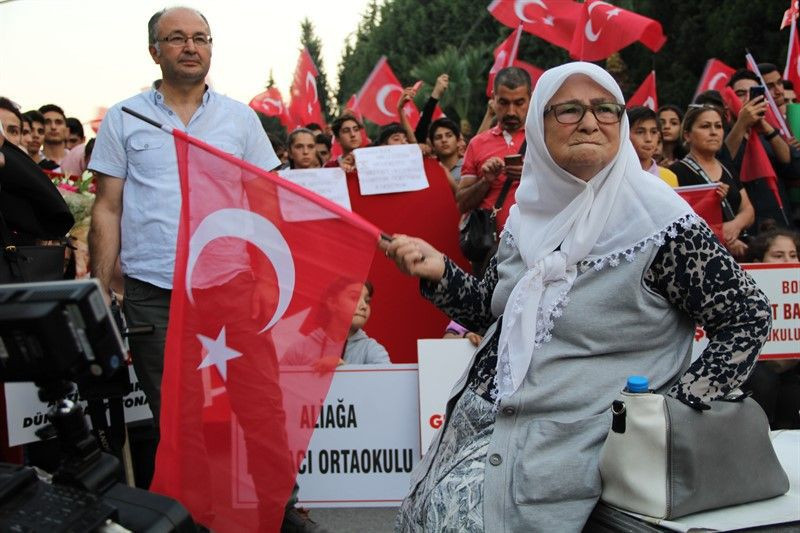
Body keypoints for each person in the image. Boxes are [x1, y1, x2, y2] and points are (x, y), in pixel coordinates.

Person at [384, 62, 771, 532]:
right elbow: (498, 314)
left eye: (605, 109)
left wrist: (669, 415)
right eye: (568, 110)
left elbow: (747, 316)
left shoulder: (658, 224)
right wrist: (440, 270)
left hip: (558, 461)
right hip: (475, 436)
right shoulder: (528, 216)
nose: (590, 122)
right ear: (538, 127)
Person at [87, 8, 325, 532]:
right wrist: (98, 287)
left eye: (200, 38)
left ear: (211, 48)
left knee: (261, 408)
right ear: (155, 50)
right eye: (176, 39)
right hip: (155, 292)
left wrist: (268, 280)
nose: (190, 47)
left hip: (232, 289)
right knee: (177, 419)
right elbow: (107, 206)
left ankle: (282, 512)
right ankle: (192, 518)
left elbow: (265, 204)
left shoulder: (240, 119)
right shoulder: (126, 119)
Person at [456, 67, 530, 271]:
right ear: (493, 99)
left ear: (530, 100)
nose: (511, 111)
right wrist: (486, 181)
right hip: (490, 251)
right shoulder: (477, 144)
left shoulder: (545, 139)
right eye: (504, 103)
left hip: (537, 248)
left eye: (519, 103)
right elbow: (462, 203)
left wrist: (531, 176)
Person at [669, 104, 755, 259]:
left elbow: (748, 209)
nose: (714, 132)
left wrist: (734, 226)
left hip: (739, 252)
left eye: (718, 126)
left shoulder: (727, 167)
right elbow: (679, 222)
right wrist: (720, 233)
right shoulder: (676, 171)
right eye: (705, 126)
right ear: (687, 135)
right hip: (701, 256)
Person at [743, 222, 799, 429]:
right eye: (778, 255)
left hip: (792, 371)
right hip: (756, 370)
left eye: (793, 255)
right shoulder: (744, 294)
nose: (788, 261)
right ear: (758, 262)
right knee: (763, 382)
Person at [283, 280, 389, 368]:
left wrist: (343, 370)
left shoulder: (372, 350)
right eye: (354, 298)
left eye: (367, 301)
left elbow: (388, 387)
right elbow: (277, 388)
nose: (364, 306)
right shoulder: (300, 349)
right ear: (332, 303)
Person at [627, 106, 678, 186]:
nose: (649, 139)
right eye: (640, 132)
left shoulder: (669, 177)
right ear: (625, 134)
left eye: (653, 132)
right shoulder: (615, 176)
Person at [429, 117, 464, 182]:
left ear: (458, 141)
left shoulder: (469, 167)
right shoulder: (429, 173)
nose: (444, 140)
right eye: (438, 137)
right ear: (432, 145)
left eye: (449, 135)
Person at [38, 103, 69, 169]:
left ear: (67, 130)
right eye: (47, 122)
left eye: (58, 122)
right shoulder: (33, 161)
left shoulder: (77, 160)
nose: (53, 127)